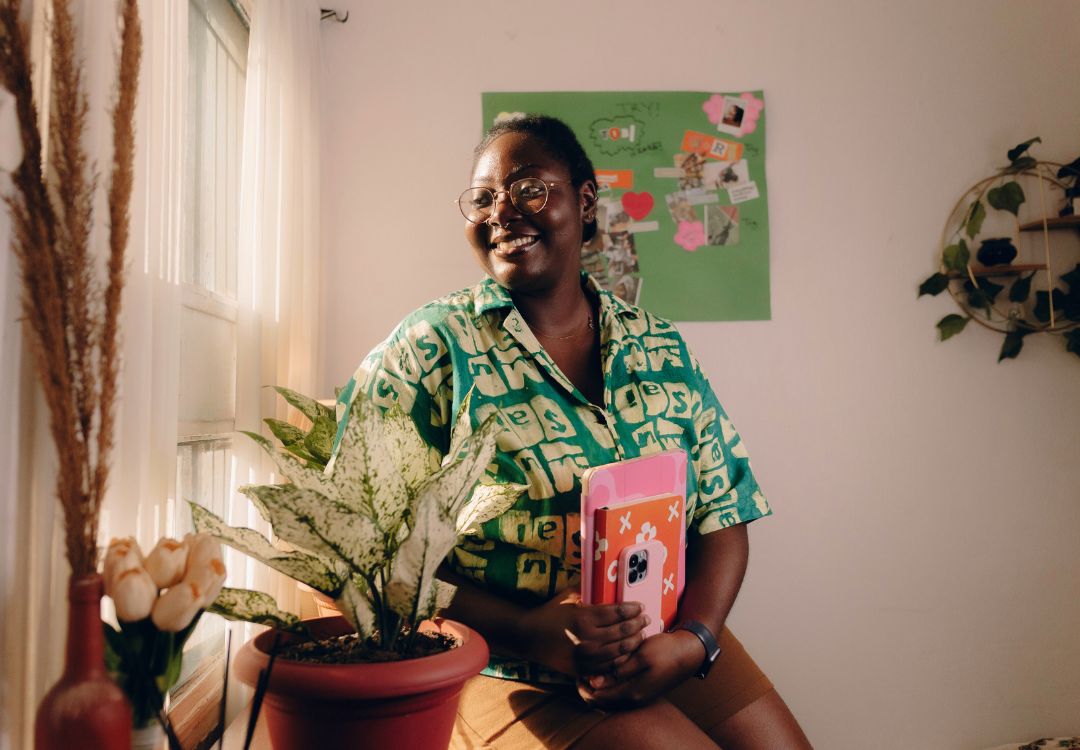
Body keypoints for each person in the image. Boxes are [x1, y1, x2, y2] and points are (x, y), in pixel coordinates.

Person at [336, 115, 812, 749]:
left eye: (528, 187)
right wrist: (529, 630)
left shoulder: (658, 346)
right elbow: (352, 548)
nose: (502, 211)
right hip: (505, 663)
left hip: (662, 640)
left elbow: (725, 514)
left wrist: (693, 641)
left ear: (585, 202)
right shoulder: (430, 350)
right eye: (483, 198)